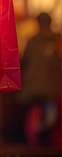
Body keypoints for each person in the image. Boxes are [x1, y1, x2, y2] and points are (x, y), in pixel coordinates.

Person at [18, 12, 62, 147]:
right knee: (52, 113)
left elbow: (23, 61)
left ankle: (35, 139)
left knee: (34, 112)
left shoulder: (32, 41)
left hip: (34, 86)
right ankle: (48, 139)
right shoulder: (57, 40)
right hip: (53, 85)